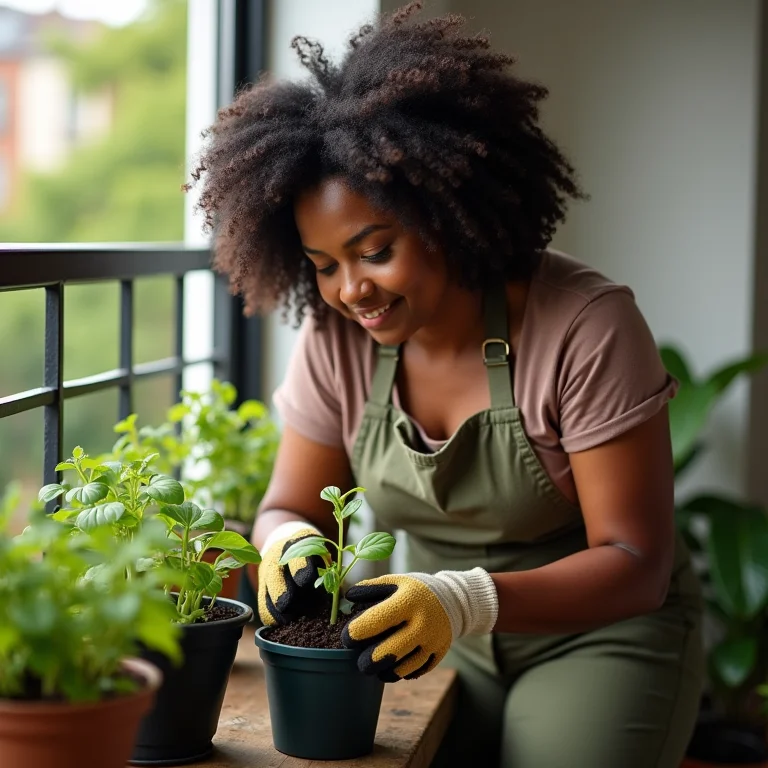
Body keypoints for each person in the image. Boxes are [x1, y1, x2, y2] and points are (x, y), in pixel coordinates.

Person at [189, 3, 703, 766]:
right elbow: (290, 504)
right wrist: (287, 541)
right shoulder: (338, 339)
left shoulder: (585, 325)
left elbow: (634, 561)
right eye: (324, 265)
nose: (350, 290)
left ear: (443, 212)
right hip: (421, 630)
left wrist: (463, 599)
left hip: (593, 637)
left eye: (375, 250)